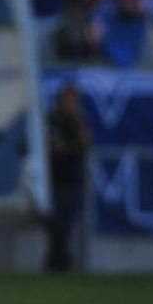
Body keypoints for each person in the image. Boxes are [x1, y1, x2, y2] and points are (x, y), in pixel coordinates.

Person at [46, 83, 91, 272]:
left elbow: (86, 143)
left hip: (73, 181)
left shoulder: (77, 121)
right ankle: (56, 264)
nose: (70, 104)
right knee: (56, 227)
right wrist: (71, 149)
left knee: (68, 226)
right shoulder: (51, 120)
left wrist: (76, 119)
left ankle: (61, 264)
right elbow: (54, 148)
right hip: (54, 182)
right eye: (67, 99)